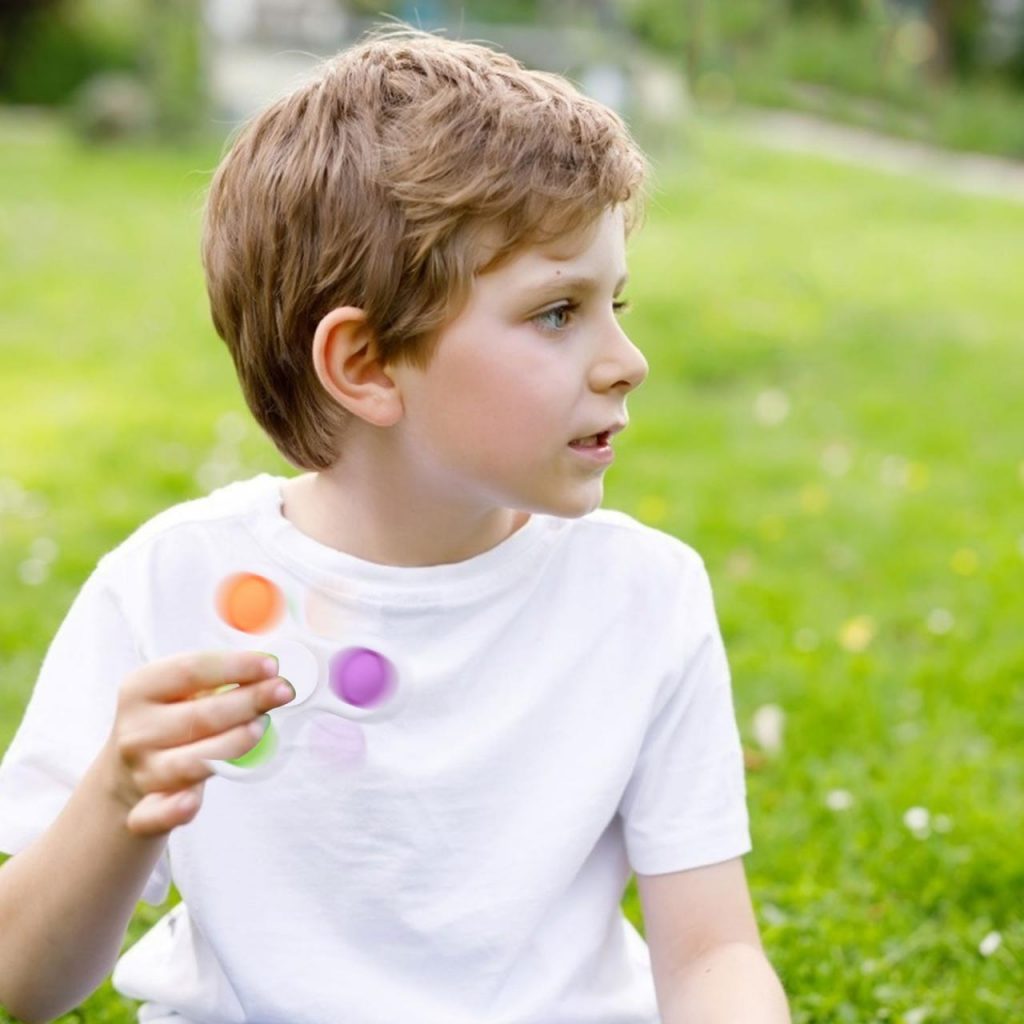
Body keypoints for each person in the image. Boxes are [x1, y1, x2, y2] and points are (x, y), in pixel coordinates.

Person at [0, 27, 790, 1024]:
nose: (626, 358)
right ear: (366, 366)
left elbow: (713, 951)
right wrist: (116, 799)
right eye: (558, 312)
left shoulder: (641, 597)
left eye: (615, 301)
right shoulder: (173, 585)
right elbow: (22, 984)